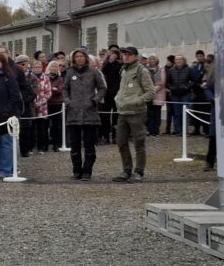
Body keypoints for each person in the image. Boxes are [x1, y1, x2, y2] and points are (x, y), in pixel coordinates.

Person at [112, 46, 155, 183]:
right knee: (121, 142)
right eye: (124, 54)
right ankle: (126, 170)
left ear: (135, 56)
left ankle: (139, 172)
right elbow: (122, 89)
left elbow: (150, 92)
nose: (125, 56)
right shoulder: (123, 70)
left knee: (139, 143)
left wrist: (136, 101)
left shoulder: (141, 71)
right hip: (122, 111)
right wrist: (118, 99)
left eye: (129, 54)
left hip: (137, 112)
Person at [63, 48, 106, 180]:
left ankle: (87, 171)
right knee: (74, 145)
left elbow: (102, 88)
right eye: (77, 57)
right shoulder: (70, 73)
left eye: (81, 56)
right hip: (74, 113)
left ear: (86, 58)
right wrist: (68, 101)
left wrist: (95, 100)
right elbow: (65, 89)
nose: (79, 58)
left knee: (89, 145)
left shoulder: (94, 72)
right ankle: (77, 170)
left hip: (89, 113)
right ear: (73, 59)